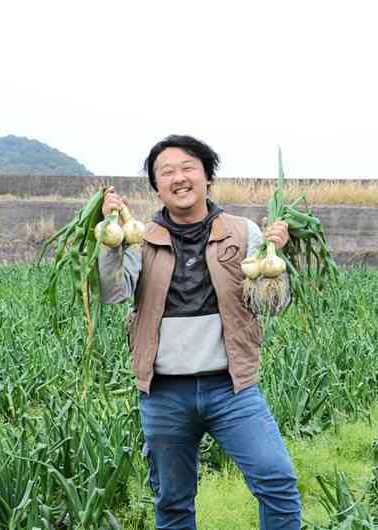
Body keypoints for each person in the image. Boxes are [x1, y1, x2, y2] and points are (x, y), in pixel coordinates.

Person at [98, 135, 301, 529]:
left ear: (208, 176)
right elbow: (113, 293)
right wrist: (110, 241)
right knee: (172, 503)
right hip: (164, 393)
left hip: (232, 389)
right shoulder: (140, 239)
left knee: (277, 481)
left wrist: (275, 259)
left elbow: (273, 305)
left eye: (188, 167)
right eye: (166, 172)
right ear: (156, 186)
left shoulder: (244, 233)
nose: (179, 178)